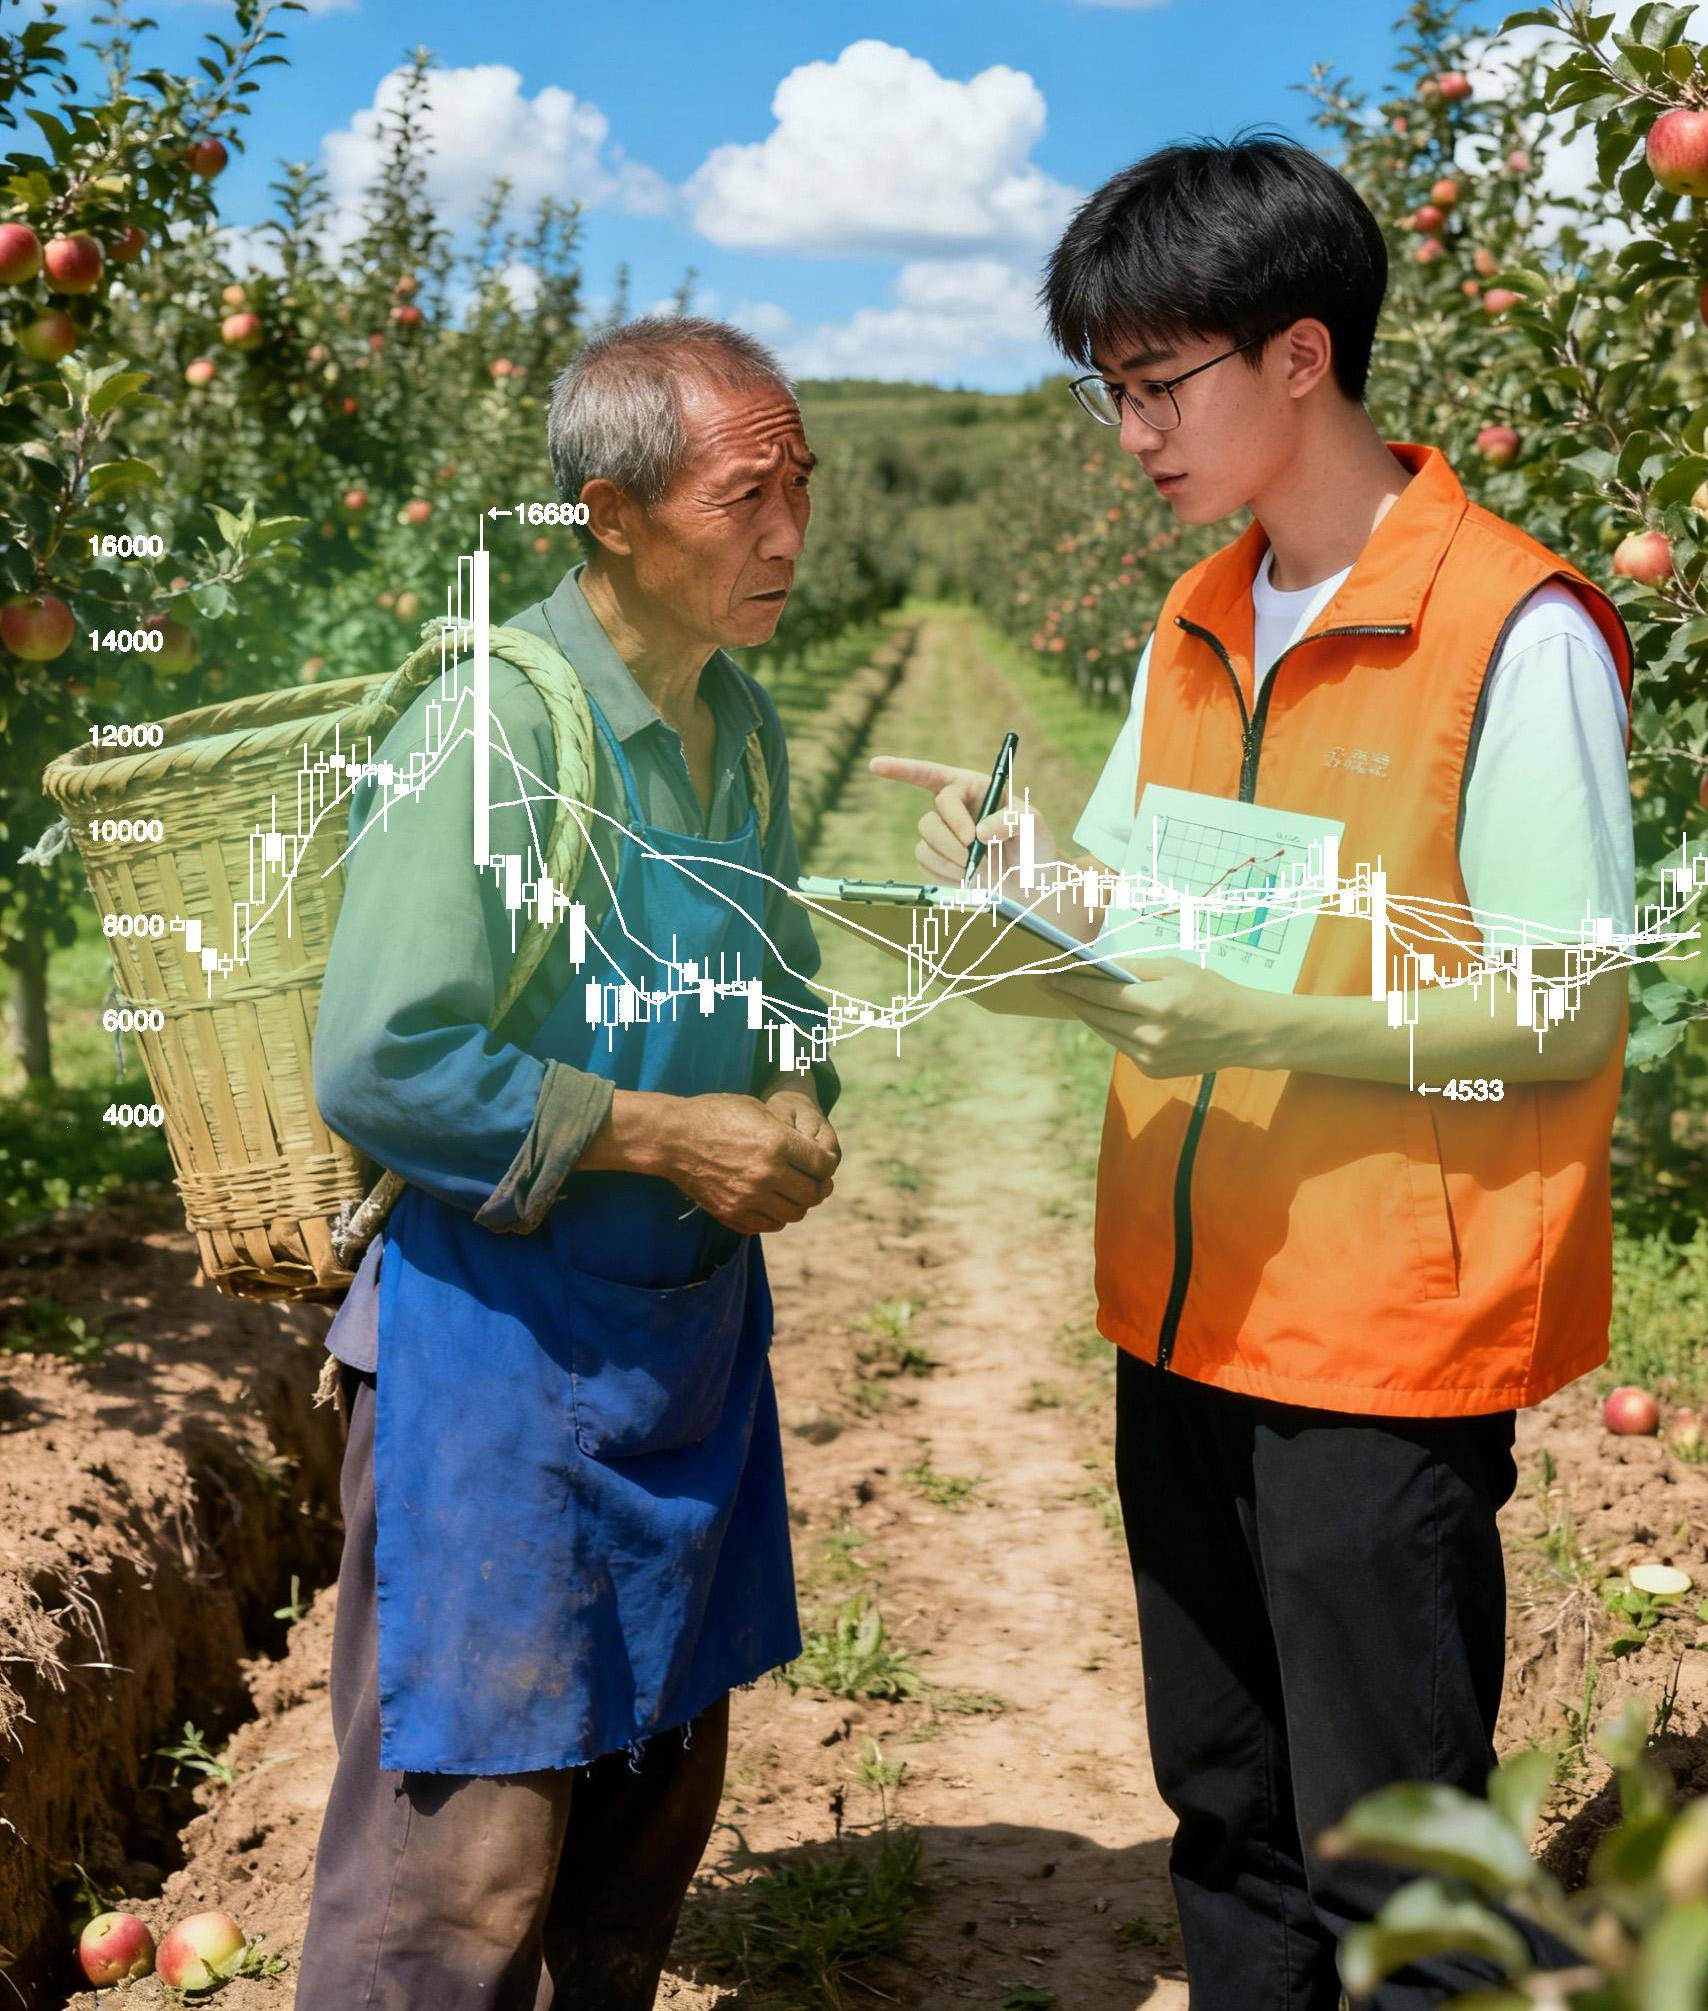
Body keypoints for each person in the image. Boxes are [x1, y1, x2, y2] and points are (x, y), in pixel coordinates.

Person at [873, 137, 1635, 2009]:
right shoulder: (1203, 614)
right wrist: (1020, 886)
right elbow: (1157, 913)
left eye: (1155, 385)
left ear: (1300, 356)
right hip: (1182, 1312)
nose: (1126, 432)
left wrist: (1264, 1029)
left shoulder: (1509, 630)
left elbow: (1567, 1007)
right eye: (1103, 392)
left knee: (1397, 1872)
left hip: (1378, 1335)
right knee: (1223, 1814)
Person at [294, 317, 842, 2011]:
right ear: (610, 514)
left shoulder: (732, 724)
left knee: (647, 1807)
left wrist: (803, 1089)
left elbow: (772, 984)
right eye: (746, 496)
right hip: (500, 1364)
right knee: (455, 1874)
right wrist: (670, 1134)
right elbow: (383, 1056)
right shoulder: (497, 732)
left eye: (802, 488)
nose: (786, 535)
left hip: (677, 1352)